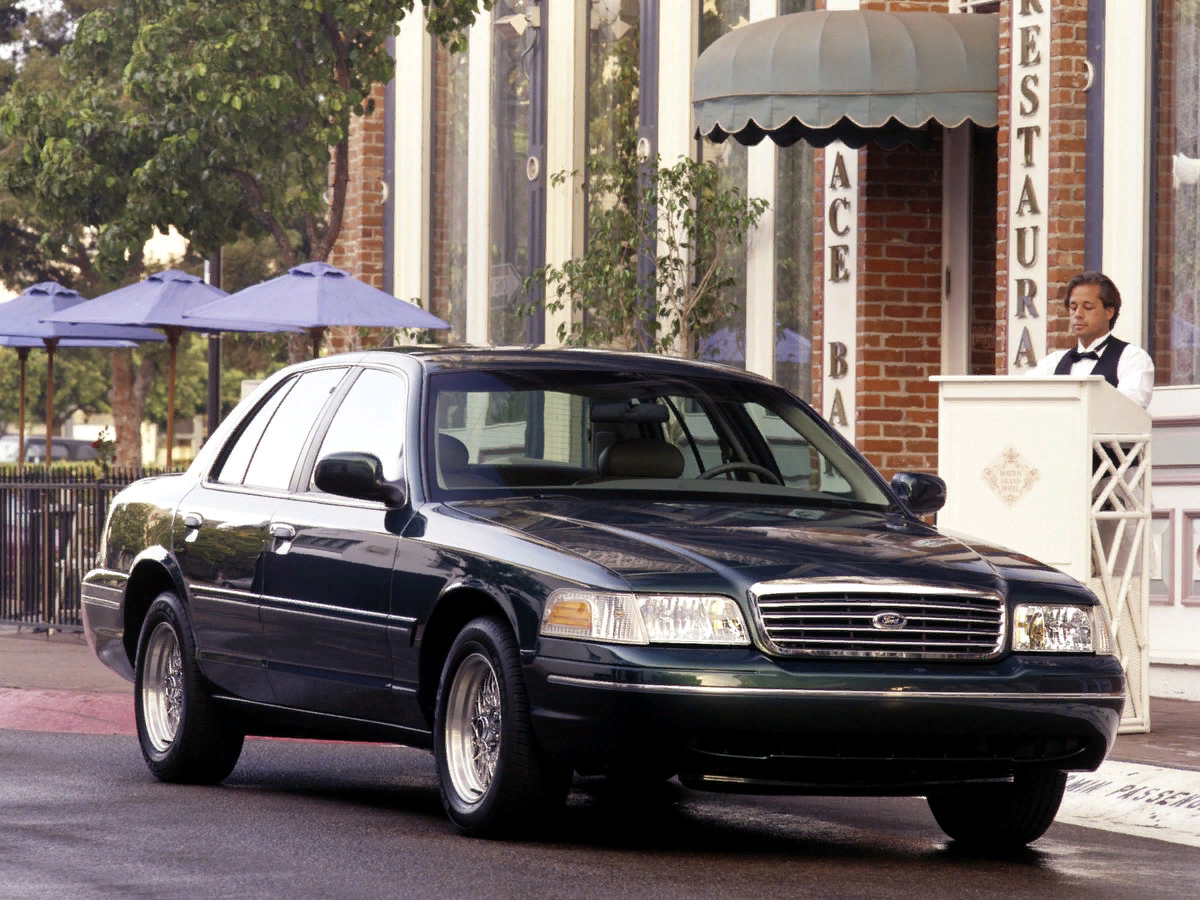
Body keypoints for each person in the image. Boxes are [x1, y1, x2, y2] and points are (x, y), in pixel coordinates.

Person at [1029, 271, 1154, 409]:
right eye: (1073, 307)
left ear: (1109, 312)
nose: (1078, 314)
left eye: (1088, 307)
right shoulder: (1052, 362)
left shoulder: (1132, 358)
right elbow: (1024, 397)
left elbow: (1127, 408)